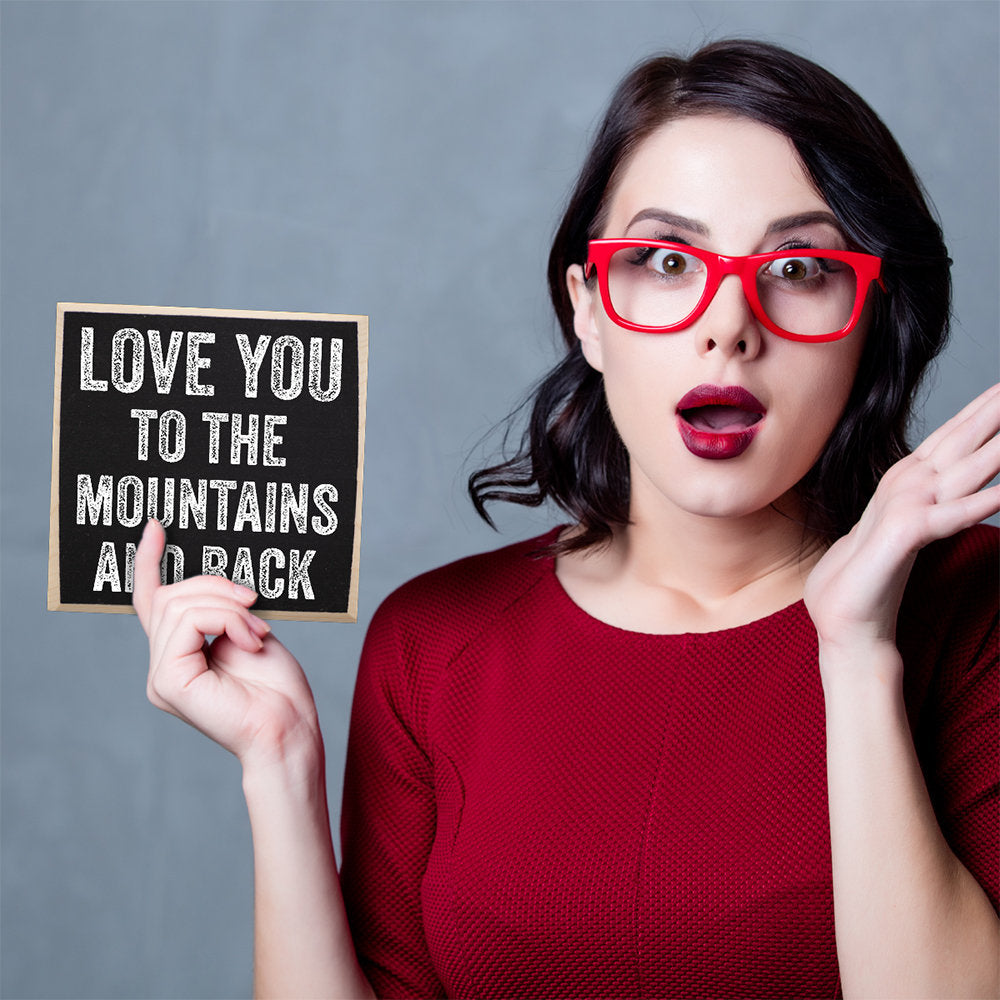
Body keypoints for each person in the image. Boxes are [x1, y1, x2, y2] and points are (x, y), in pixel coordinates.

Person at [133, 39, 999, 999]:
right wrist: (279, 763)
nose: (729, 324)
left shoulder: (976, 607)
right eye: (667, 260)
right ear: (587, 308)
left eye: (799, 267)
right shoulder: (432, 647)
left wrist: (858, 651)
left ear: (871, 315)